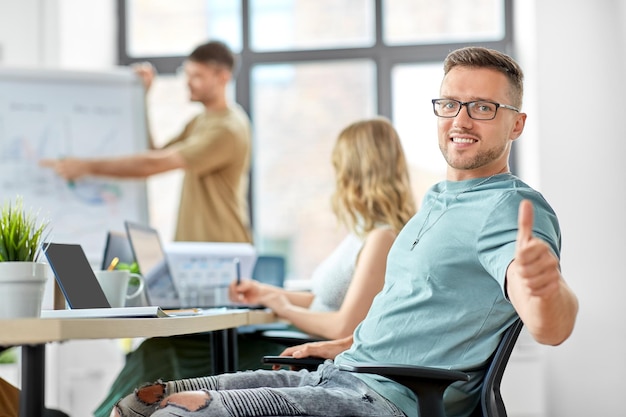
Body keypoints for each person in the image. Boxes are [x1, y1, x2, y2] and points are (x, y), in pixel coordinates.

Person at [111, 46, 579, 417]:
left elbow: (549, 324)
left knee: (176, 414)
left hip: (377, 401)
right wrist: (346, 344)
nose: (460, 119)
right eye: (450, 104)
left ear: (516, 123)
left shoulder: (510, 206)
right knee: (138, 403)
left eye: (482, 107)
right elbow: (417, 318)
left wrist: (544, 288)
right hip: (337, 374)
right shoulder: (436, 200)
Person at [96, 117, 416, 417]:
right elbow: (324, 298)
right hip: (298, 336)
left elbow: (343, 327)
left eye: (338, 166)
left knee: (166, 346)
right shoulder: (362, 232)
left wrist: (282, 306)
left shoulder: (382, 237)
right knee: (165, 346)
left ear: (354, 170)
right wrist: (266, 292)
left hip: (301, 348)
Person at [40, 40, 252, 243]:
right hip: (198, 248)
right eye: (187, 74)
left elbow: (154, 164)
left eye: (197, 76)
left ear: (223, 77)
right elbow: (154, 152)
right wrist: (142, 97)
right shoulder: (200, 120)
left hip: (223, 248)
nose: (188, 82)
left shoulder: (227, 128)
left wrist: (86, 166)